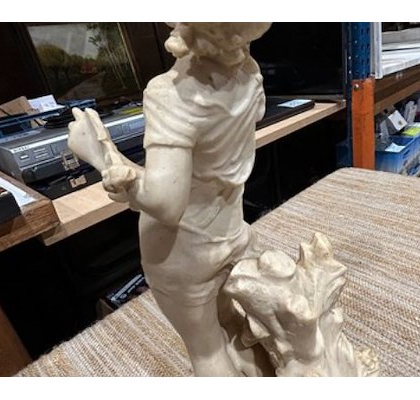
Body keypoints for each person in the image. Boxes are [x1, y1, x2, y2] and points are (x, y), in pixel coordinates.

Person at [68, 22, 271, 376]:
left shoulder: (171, 92)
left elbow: (166, 203)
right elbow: (206, 168)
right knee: (234, 328)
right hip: (232, 234)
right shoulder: (249, 73)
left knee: (207, 351)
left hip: (183, 253)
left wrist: (99, 153)